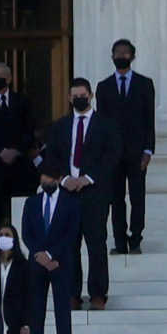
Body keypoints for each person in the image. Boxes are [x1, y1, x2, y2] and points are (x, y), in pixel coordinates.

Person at [44, 76, 120, 309]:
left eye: (83, 95)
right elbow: (53, 157)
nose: (79, 99)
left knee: (96, 244)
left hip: (94, 193)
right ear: (69, 98)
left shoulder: (106, 125)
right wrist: (65, 179)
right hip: (67, 193)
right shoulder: (59, 127)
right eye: (75, 96)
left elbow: (112, 155)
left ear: (91, 96)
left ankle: (98, 294)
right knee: (69, 247)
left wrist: (86, 179)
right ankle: (72, 294)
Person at [96, 40, 156, 254]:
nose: (121, 55)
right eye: (117, 52)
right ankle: (120, 242)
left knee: (138, 197)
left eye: (125, 52)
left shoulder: (145, 84)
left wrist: (149, 150)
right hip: (113, 154)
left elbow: (150, 119)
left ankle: (136, 239)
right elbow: (101, 123)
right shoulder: (103, 87)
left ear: (132, 56)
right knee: (116, 199)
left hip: (137, 152)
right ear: (112, 56)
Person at [18, 168, 81, 334]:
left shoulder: (70, 202)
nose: (47, 180)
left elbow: (72, 234)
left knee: (63, 310)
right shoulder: (32, 202)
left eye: (52, 176)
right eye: (45, 176)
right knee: (36, 311)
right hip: (36, 264)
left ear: (60, 179)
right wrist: (40, 255)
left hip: (60, 263)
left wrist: (52, 255)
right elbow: (26, 233)